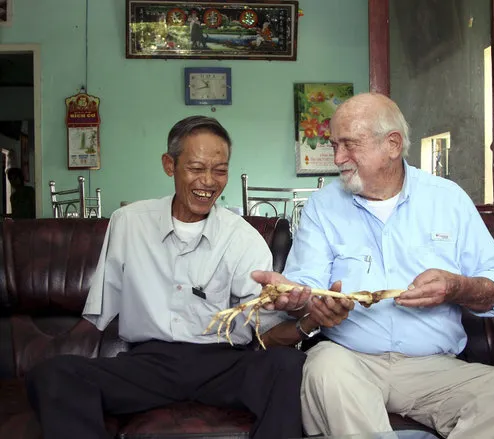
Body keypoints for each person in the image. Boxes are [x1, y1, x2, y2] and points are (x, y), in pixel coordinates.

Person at [25, 116, 348, 439]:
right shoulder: (129, 223)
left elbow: (267, 335)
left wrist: (304, 316)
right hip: (148, 363)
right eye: (196, 168)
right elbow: (97, 315)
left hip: (223, 363)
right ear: (170, 165)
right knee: (53, 374)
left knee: (287, 366)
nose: (208, 181)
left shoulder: (243, 238)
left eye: (220, 170)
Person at [253, 93, 494, 439]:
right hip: (351, 362)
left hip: (436, 370)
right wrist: (296, 298)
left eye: (349, 145)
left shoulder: (447, 199)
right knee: (324, 369)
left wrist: (458, 287)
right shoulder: (322, 207)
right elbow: (306, 283)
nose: (337, 158)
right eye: (334, 145)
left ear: (392, 144)